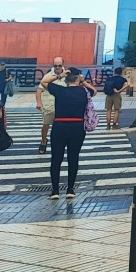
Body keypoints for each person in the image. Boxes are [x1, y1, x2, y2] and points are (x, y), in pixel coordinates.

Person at [42, 67, 91, 200]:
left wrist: (60, 76)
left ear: (66, 79)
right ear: (77, 78)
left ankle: (55, 190)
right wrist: (83, 81)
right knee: (73, 158)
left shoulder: (60, 90)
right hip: (77, 127)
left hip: (60, 126)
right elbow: (94, 91)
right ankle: (70, 189)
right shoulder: (83, 91)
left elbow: (44, 82)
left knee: (56, 159)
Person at [36, 57, 67, 155]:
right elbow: (39, 89)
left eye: (59, 65)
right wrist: (39, 102)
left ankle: (59, 144)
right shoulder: (48, 76)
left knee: (61, 127)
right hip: (48, 105)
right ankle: (43, 141)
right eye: (55, 65)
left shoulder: (67, 76)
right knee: (46, 125)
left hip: (62, 106)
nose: (57, 67)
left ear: (63, 65)